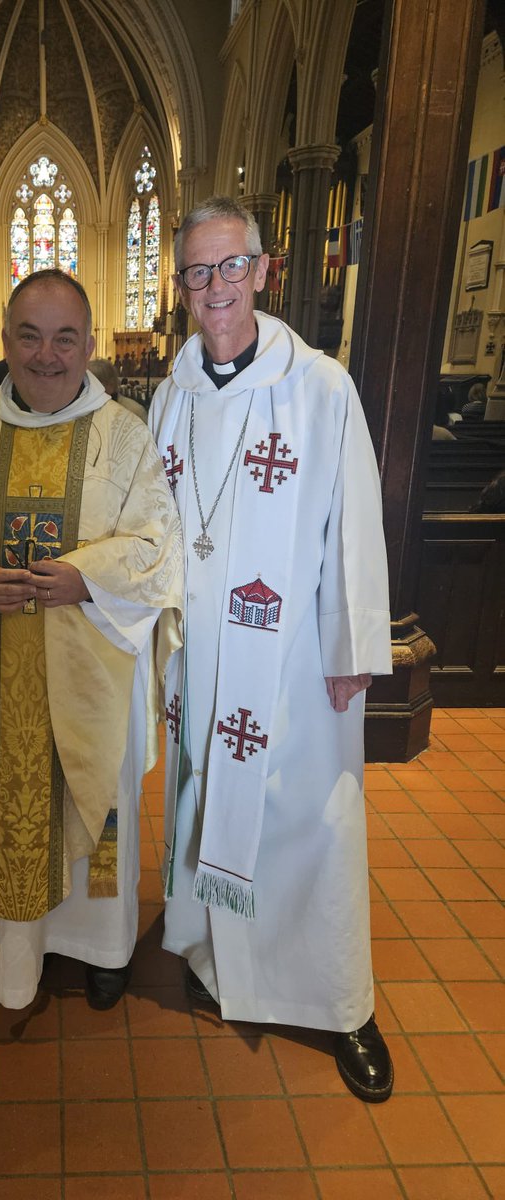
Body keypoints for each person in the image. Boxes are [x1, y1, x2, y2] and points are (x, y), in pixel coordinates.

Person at [149, 196, 394, 1102]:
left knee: (313, 825)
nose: (215, 286)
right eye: (197, 271)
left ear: (262, 271)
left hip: (292, 665)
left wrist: (353, 642)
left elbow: (355, 521)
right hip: (201, 663)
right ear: (183, 286)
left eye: (231, 266)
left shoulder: (321, 387)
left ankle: (342, 1004)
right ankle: (218, 962)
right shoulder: (170, 396)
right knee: (207, 806)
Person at [0, 269, 183, 1011]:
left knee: (101, 806)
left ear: (89, 344)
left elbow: (158, 543)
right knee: (14, 800)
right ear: (5, 341)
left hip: (95, 673)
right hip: (1, 673)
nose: (47, 355)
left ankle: (103, 948)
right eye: (30, 337)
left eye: (65, 338)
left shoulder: (125, 436)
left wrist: (85, 577)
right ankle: (19, 941)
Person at [88, 357, 148, 421]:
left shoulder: (134, 411)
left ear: (110, 385)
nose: (87, 390)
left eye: (93, 385)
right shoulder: (85, 409)